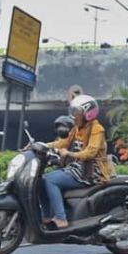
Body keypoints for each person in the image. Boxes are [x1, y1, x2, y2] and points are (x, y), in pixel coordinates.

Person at [40, 94, 112, 228]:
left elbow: (91, 152)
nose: (74, 116)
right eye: (73, 112)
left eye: (77, 112)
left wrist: (70, 153)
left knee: (50, 180)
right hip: (78, 168)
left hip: (92, 172)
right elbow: (63, 142)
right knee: (42, 179)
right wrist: (43, 145)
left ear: (88, 113)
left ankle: (61, 218)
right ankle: (46, 216)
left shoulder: (97, 129)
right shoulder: (77, 128)